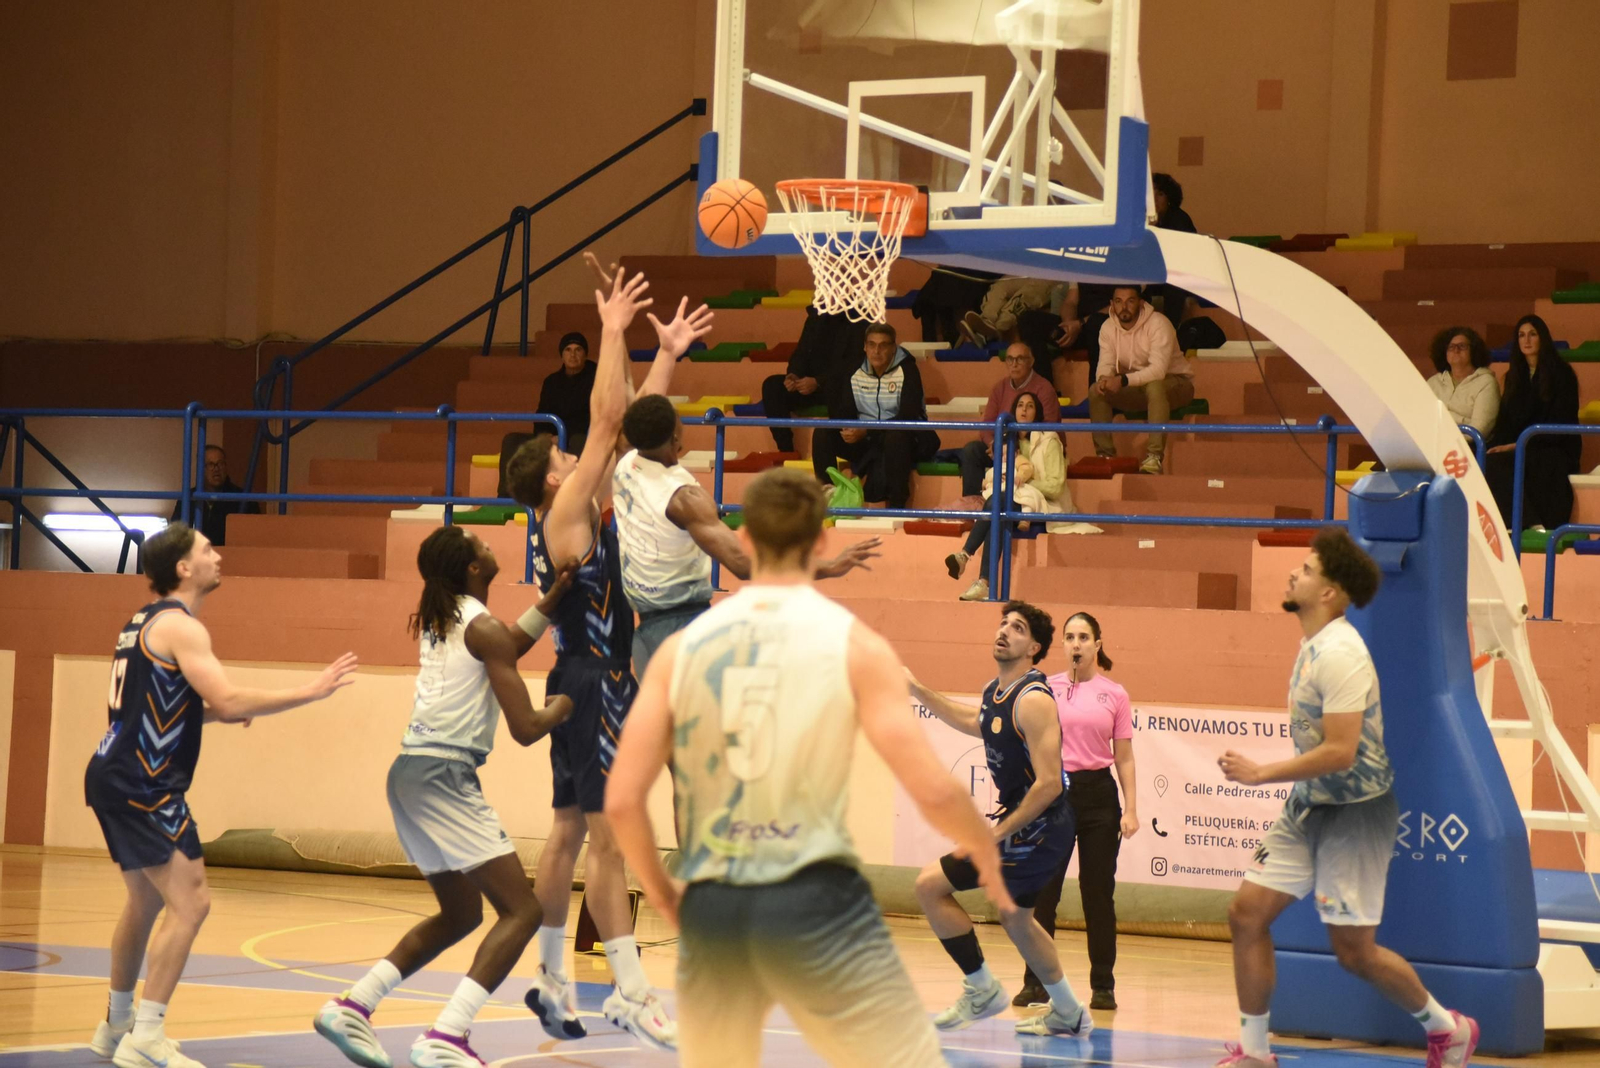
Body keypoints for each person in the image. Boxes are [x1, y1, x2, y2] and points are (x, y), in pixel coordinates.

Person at [603, 467, 1014, 1067]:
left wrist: (667, 898)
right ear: (822, 543)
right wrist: (988, 860)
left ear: (742, 544)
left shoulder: (682, 648)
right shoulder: (855, 643)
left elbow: (621, 801)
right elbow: (931, 787)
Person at [84, 522, 357, 1068]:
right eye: (207, 550)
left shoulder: (142, 622)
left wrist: (217, 713)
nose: (218, 555)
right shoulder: (181, 627)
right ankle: (146, 1037)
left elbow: (171, 707)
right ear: (183, 568)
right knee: (193, 902)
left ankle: (115, 1026)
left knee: (145, 902)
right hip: (146, 782)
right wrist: (311, 689)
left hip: (112, 772)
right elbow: (228, 700)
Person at [1214, 527, 1478, 1068]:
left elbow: (1340, 751)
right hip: (1310, 805)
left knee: (1353, 951)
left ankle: (1447, 1029)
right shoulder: (1312, 644)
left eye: (1307, 570)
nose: (1294, 572)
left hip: (1355, 812)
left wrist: (1261, 772)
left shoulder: (1342, 654)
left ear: (1330, 592)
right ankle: (1257, 1052)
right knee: (1246, 915)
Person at [314, 527, 576, 1068]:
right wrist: (571, 703)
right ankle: (447, 1036)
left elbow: (506, 641)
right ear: (474, 568)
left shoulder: (449, 616)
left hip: (409, 773)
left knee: (460, 916)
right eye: (478, 541)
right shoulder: (481, 626)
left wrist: (548, 604)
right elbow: (527, 727)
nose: (486, 542)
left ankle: (352, 1005)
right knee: (523, 910)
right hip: (443, 776)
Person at [504, 265, 676, 1051]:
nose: (576, 455)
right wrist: (611, 326)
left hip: (575, 676)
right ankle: (632, 992)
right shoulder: (565, 509)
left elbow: (630, 426)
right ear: (548, 476)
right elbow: (609, 421)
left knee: (569, 831)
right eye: (562, 454)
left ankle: (549, 977)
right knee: (611, 837)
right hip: (596, 679)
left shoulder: (576, 503)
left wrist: (662, 352)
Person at [908, 602, 1094, 1038]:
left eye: (1019, 628)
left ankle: (981, 987)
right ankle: (1068, 1010)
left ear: (1034, 648)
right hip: (1033, 825)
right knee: (1017, 919)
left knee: (929, 886)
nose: (1005, 631)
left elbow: (1049, 784)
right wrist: (917, 688)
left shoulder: (1032, 700)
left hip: (1040, 824)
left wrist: (998, 832)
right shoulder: (997, 691)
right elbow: (975, 720)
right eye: (1004, 623)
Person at [1012, 611, 1136, 1012]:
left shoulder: (1114, 694)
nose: (1076, 644)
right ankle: (1037, 982)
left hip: (1099, 795)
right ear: (1062, 644)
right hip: (1056, 795)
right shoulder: (1044, 688)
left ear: (1098, 644)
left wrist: (1131, 809)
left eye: (1084, 637)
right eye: (1069, 637)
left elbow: (1125, 758)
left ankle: (1103, 984)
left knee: (1097, 893)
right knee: (1044, 891)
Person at [946, 391, 1090, 602]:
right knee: (999, 508)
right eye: (1020, 405)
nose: (1024, 409)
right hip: (1015, 500)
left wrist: (1023, 482)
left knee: (999, 503)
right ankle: (981, 580)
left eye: (1030, 406)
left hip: (1044, 503)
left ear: (1037, 413)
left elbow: (1056, 486)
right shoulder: (1008, 443)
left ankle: (969, 559)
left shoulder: (1050, 441)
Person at [810, 322, 941, 510]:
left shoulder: (907, 370)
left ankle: (897, 505)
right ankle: (826, 496)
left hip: (907, 437)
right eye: (872, 345)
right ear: (865, 347)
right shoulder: (854, 370)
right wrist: (850, 429)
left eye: (883, 345)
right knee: (823, 433)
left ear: (893, 348)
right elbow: (845, 410)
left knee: (896, 437)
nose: (876, 351)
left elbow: (907, 416)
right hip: (868, 437)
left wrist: (867, 430)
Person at [1484, 314, 1581, 533]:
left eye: (1532, 334)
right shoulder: (1513, 377)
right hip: (1521, 445)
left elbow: (1562, 422)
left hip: (1554, 447)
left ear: (1542, 338)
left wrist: (1520, 445)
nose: (1526, 340)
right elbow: (1506, 420)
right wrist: (1501, 445)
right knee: (1490, 459)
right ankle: (1518, 522)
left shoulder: (1562, 374)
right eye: (1521, 335)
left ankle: (1530, 523)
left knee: (1539, 463)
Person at [1091, 285, 1195, 474]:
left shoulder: (1159, 323)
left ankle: (1154, 458)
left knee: (1154, 386)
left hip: (1177, 383)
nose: (1124, 307)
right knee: (1096, 390)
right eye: (1118, 301)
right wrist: (1104, 379)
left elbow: (1157, 371)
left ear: (1140, 303)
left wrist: (1122, 380)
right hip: (1136, 386)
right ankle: (1105, 457)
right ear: (1111, 305)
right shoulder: (1107, 327)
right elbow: (1105, 363)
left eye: (1130, 301)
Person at [956, 341, 1063, 508]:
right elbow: (987, 425)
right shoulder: (1000, 387)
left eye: (1020, 359)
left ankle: (1001, 507)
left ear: (1031, 361)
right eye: (1010, 359)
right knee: (972, 450)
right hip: (1004, 448)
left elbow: (1047, 428)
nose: (1014, 364)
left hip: (1032, 450)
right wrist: (996, 444)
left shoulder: (1044, 388)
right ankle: (973, 505)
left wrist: (1015, 445)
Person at [496, 332, 595, 497]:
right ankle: (507, 497)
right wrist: (546, 436)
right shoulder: (552, 381)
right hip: (553, 434)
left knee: (579, 441)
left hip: (579, 435)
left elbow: (591, 418)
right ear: (562, 355)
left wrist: (562, 434)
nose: (573, 354)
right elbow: (542, 413)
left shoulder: (596, 379)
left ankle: (574, 497)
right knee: (511, 440)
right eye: (568, 350)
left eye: (578, 350)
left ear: (585, 354)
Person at [759, 306, 868, 452]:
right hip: (808, 385)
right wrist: (793, 375)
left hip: (839, 388)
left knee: (837, 388)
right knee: (772, 386)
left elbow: (853, 365)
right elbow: (801, 352)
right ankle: (785, 451)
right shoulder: (815, 318)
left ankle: (842, 450)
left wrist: (818, 382)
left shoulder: (859, 320)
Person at [171, 446, 257, 546]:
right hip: (195, 558)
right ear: (200, 468)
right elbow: (175, 537)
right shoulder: (187, 500)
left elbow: (253, 540)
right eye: (210, 464)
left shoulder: (244, 500)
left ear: (226, 466)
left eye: (220, 464)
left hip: (231, 558)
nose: (216, 469)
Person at [1425, 327, 1499, 438]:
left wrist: (1445, 437)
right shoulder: (1433, 382)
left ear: (1473, 351)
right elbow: (1422, 419)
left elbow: (1479, 430)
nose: (1456, 350)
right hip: (1432, 443)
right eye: (1451, 347)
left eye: (1462, 346)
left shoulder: (1486, 383)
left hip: (1469, 449)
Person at [1150, 173, 1198, 330]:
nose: (1155, 199)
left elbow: (1181, 257)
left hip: (1180, 274)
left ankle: (1170, 332)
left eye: (1161, 194)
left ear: (1169, 197)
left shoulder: (1179, 219)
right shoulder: (1142, 220)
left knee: (1174, 286)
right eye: (1152, 193)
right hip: (1155, 275)